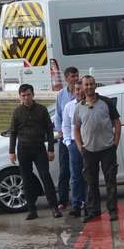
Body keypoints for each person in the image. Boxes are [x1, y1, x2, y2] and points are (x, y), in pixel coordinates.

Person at [8, 84, 61, 220]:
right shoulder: (17, 112)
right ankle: (32, 210)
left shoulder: (41, 110)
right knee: (26, 179)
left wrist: (50, 149)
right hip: (23, 149)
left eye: (28, 95)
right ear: (20, 96)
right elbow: (13, 132)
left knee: (45, 176)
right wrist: (11, 151)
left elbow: (49, 130)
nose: (26, 98)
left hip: (39, 148)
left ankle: (54, 208)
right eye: (23, 95)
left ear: (33, 95)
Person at [74, 75, 121, 223]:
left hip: (107, 149)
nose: (88, 87)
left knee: (110, 181)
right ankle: (94, 211)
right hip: (89, 150)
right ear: (82, 87)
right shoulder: (79, 107)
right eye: (85, 85)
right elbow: (76, 128)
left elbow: (117, 123)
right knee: (91, 182)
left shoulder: (106, 103)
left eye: (91, 84)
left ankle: (112, 210)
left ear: (95, 86)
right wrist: (79, 146)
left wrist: (115, 143)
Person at [52, 66, 80, 209]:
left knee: (80, 170)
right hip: (65, 138)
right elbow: (58, 115)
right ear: (66, 78)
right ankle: (63, 200)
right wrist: (60, 131)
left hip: (80, 138)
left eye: (77, 76)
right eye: (72, 76)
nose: (75, 79)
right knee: (64, 170)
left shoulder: (81, 93)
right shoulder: (61, 94)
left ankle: (81, 199)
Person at [60, 77, 86, 217]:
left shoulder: (89, 104)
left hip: (89, 144)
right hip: (74, 145)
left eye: (80, 89)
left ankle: (88, 203)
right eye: (76, 89)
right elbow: (65, 126)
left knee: (88, 174)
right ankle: (76, 204)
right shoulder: (69, 106)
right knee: (75, 176)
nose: (79, 92)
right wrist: (68, 143)